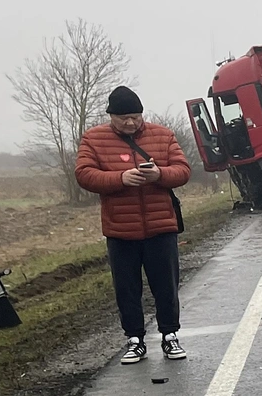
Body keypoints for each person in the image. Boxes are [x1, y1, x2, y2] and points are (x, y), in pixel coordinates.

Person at [75, 86, 191, 364]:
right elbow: (84, 174)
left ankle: (170, 335)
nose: (130, 123)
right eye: (123, 118)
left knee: (166, 286)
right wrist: (121, 179)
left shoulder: (163, 135)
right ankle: (134, 339)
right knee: (126, 288)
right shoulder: (93, 139)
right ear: (111, 116)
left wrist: (159, 174)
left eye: (135, 117)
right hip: (120, 229)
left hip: (161, 226)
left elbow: (183, 170)